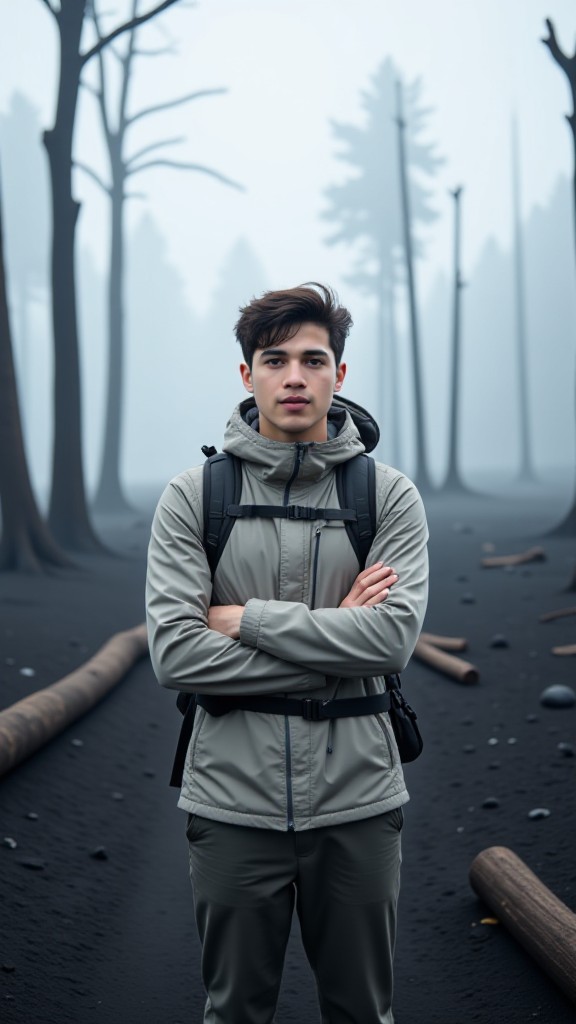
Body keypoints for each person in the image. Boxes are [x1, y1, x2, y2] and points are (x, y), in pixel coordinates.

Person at [145, 282, 429, 1024]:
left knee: (363, 1012)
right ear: (248, 375)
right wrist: (341, 638)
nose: (295, 377)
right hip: (231, 803)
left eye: (314, 359)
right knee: (235, 1010)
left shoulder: (388, 497)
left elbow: (392, 640)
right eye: (275, 360)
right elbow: (176, 655)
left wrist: (246, 621)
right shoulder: (191, 497)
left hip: (360, 801)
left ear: (341, 372)